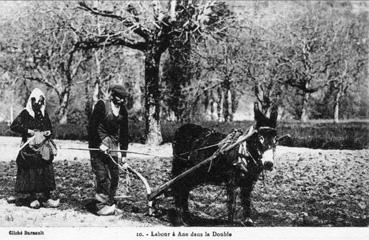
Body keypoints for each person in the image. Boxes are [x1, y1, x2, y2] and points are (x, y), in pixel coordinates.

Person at [8, 88, 59, 209]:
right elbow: (14, 126)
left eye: (42, 101)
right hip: (29, 149)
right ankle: (33, 198)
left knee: (46, 169)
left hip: (42, 148)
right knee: (31, 172)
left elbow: (50, 128)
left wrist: (47, 132)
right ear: (32, 101)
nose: (40, 104)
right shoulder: (25, 113)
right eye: (37, 101)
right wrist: (28, 131)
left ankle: (47, 198)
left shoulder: (43, 114)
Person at [88, 84, 129, 216]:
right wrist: (99, 144)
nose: (122, 100)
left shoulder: (123, 111)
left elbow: (124, 134)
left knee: (115, 176)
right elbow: (91, 127)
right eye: (119, 97)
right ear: (112, 95)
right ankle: (100, 207)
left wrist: (123, 155)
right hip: (97, 145)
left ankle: (110, 204)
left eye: (124, 98)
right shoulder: (101, 105)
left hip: (113, 146)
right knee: (102, 176)